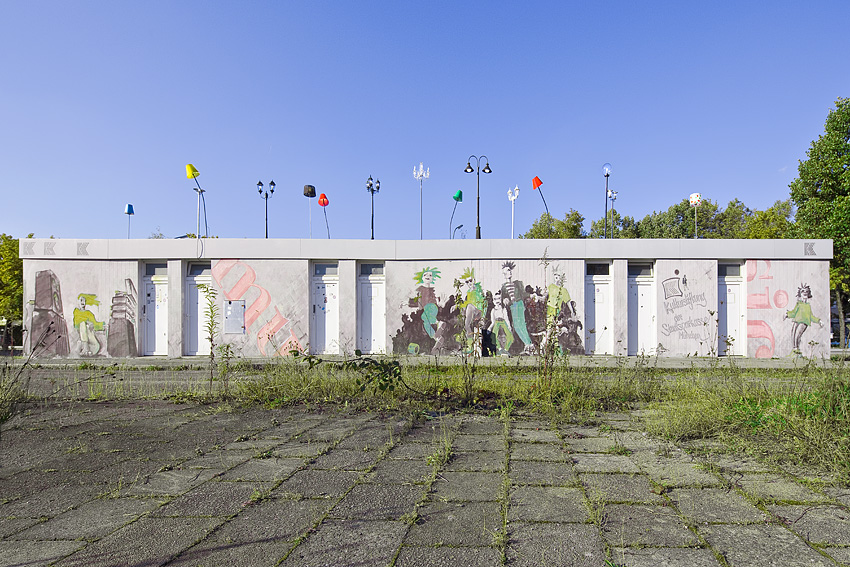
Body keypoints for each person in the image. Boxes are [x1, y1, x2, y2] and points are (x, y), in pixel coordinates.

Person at [784, 284, 823, 354]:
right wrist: (787, 314)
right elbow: (794, 313)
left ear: (808, 294)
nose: (805, 293)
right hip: (796, 321)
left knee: (797, 335)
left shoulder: (808, 306)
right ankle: (795, 349)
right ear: (800, 294)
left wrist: (819, 321)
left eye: (806, 291)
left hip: (804, 322)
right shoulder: (799, 304)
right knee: (793, 334)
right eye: (803, 291)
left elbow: (811, 317)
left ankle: (796, 349)